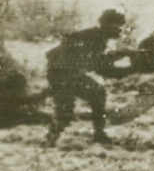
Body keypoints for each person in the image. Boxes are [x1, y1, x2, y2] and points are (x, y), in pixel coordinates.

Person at [45, 9, 128, 146]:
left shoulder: (94, 36)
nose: (119, 30)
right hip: (62, 74)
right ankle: (51, 138)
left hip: (66, 73)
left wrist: (118, 57)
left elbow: (95, 62)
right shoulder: (93, 38)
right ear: (107, 25)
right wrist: (124, 65)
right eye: (117, 26)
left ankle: (98, 134)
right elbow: (99, 67)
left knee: (97, 94)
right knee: (66, 109)